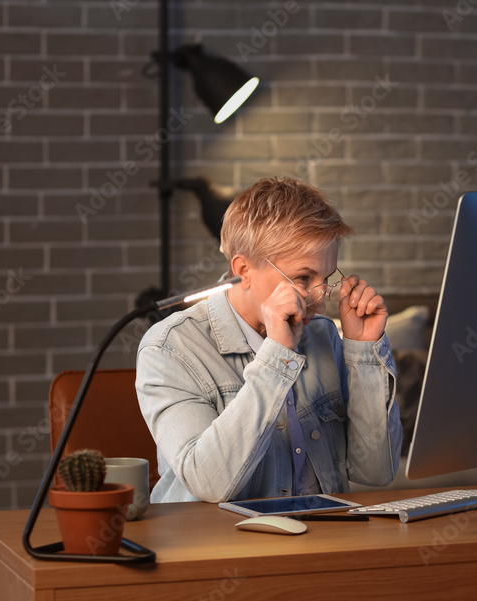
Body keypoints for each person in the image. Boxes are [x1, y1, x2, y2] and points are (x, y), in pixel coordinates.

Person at [135, 177, 402, 503]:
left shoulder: (322, 334)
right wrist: (277, 356)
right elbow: (209, 483)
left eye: (327, 279)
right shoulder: (168, 349)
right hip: (218, 547)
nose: (319, 301)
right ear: (243, 269)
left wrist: (362, 351)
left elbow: (376, 471)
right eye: (304, 277)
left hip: (322, 539)